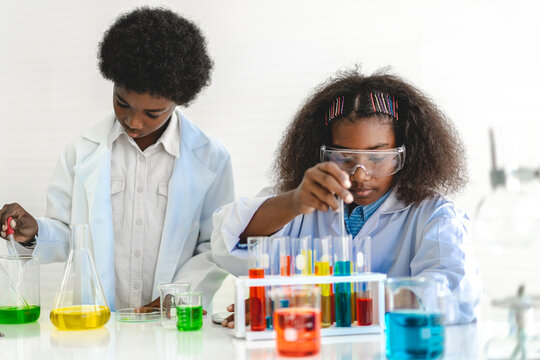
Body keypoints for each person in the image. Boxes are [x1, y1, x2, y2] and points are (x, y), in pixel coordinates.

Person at [0, 7, 234, 311]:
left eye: (152, 113)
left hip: (171, 323)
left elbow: (215, 246)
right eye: (122, 103)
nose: (133, 121)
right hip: (98, 322)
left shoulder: (211, 159)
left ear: (179, 100)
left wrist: (179, 296)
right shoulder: (81, 152)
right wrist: (33, 234)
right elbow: (71, 238)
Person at [212, 68, 481, 327]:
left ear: (408, 154)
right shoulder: (300, 200)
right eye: (344, 158)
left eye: (378, 158)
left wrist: (306, 303)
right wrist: (294, 202)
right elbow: (226, 242)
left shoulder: (434, 216)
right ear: (320, 153)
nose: (360, 176)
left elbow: (452, 296)